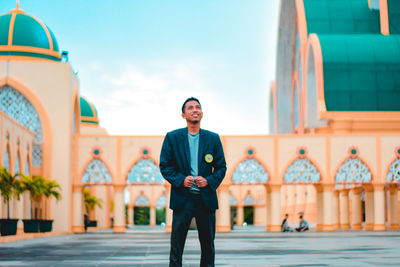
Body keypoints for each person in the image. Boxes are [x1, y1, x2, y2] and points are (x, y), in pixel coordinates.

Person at [160, 97, 227, 267]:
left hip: (205, 199)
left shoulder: (213, 138)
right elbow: (165, 166)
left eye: (198, 107)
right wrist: (181, 180)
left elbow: (221, 167)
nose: (195, 110)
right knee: (176, 245)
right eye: (190, 108)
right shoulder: (172, 137)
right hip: (183, 199)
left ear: (202, 113)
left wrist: (209, 181)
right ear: (183, 115)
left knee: (208, 246)